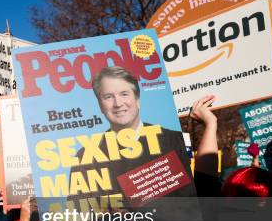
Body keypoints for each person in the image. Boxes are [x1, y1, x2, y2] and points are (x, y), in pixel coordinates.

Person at [69, 65, 194, 206]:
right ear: (100, 105)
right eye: (108, 97)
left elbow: (194, 200)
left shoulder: (175, 140)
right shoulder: (84, 158)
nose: (118, 103)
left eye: (124, 94)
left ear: (137, 99)